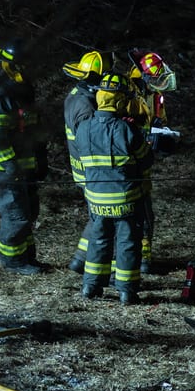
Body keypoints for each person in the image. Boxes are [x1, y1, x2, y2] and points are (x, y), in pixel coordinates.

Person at [76, 72, 154, 305]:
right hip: (126, 199)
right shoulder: (125, 129)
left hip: (96, 200)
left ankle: (90, 286)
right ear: (120, 101)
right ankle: (126, 291)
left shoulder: (83, 128)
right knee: (128, 243)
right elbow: (145, 160)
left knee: (98, 241)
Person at [0, 40, 48, 275]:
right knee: (16, 215)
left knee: (30, 213)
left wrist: (40, 159)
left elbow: (32, 128)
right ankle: (12, 261)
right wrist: (10, 168)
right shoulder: (0, 94)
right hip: (7, 168)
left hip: (25, 165)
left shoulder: (22, 90)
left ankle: (27, 257)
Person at [124, 49, 178, 275]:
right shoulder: (127, 93)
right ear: (144, 77)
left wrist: (163, 132)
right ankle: (134, 259)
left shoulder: (154, 94)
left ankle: (143, 258)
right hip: (127, 160)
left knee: (145, 211)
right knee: (134, 211)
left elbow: (160, 119)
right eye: (156, 78)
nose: (161, 82)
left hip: (144, 157)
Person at [62, 50, 110, 274]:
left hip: (82, 170)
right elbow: (91, 140)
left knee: (97, 216)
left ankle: (80, 259)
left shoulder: (75, 95)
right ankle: (88, 263)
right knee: (101, 217)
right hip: (90, 172)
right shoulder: (86, 106)